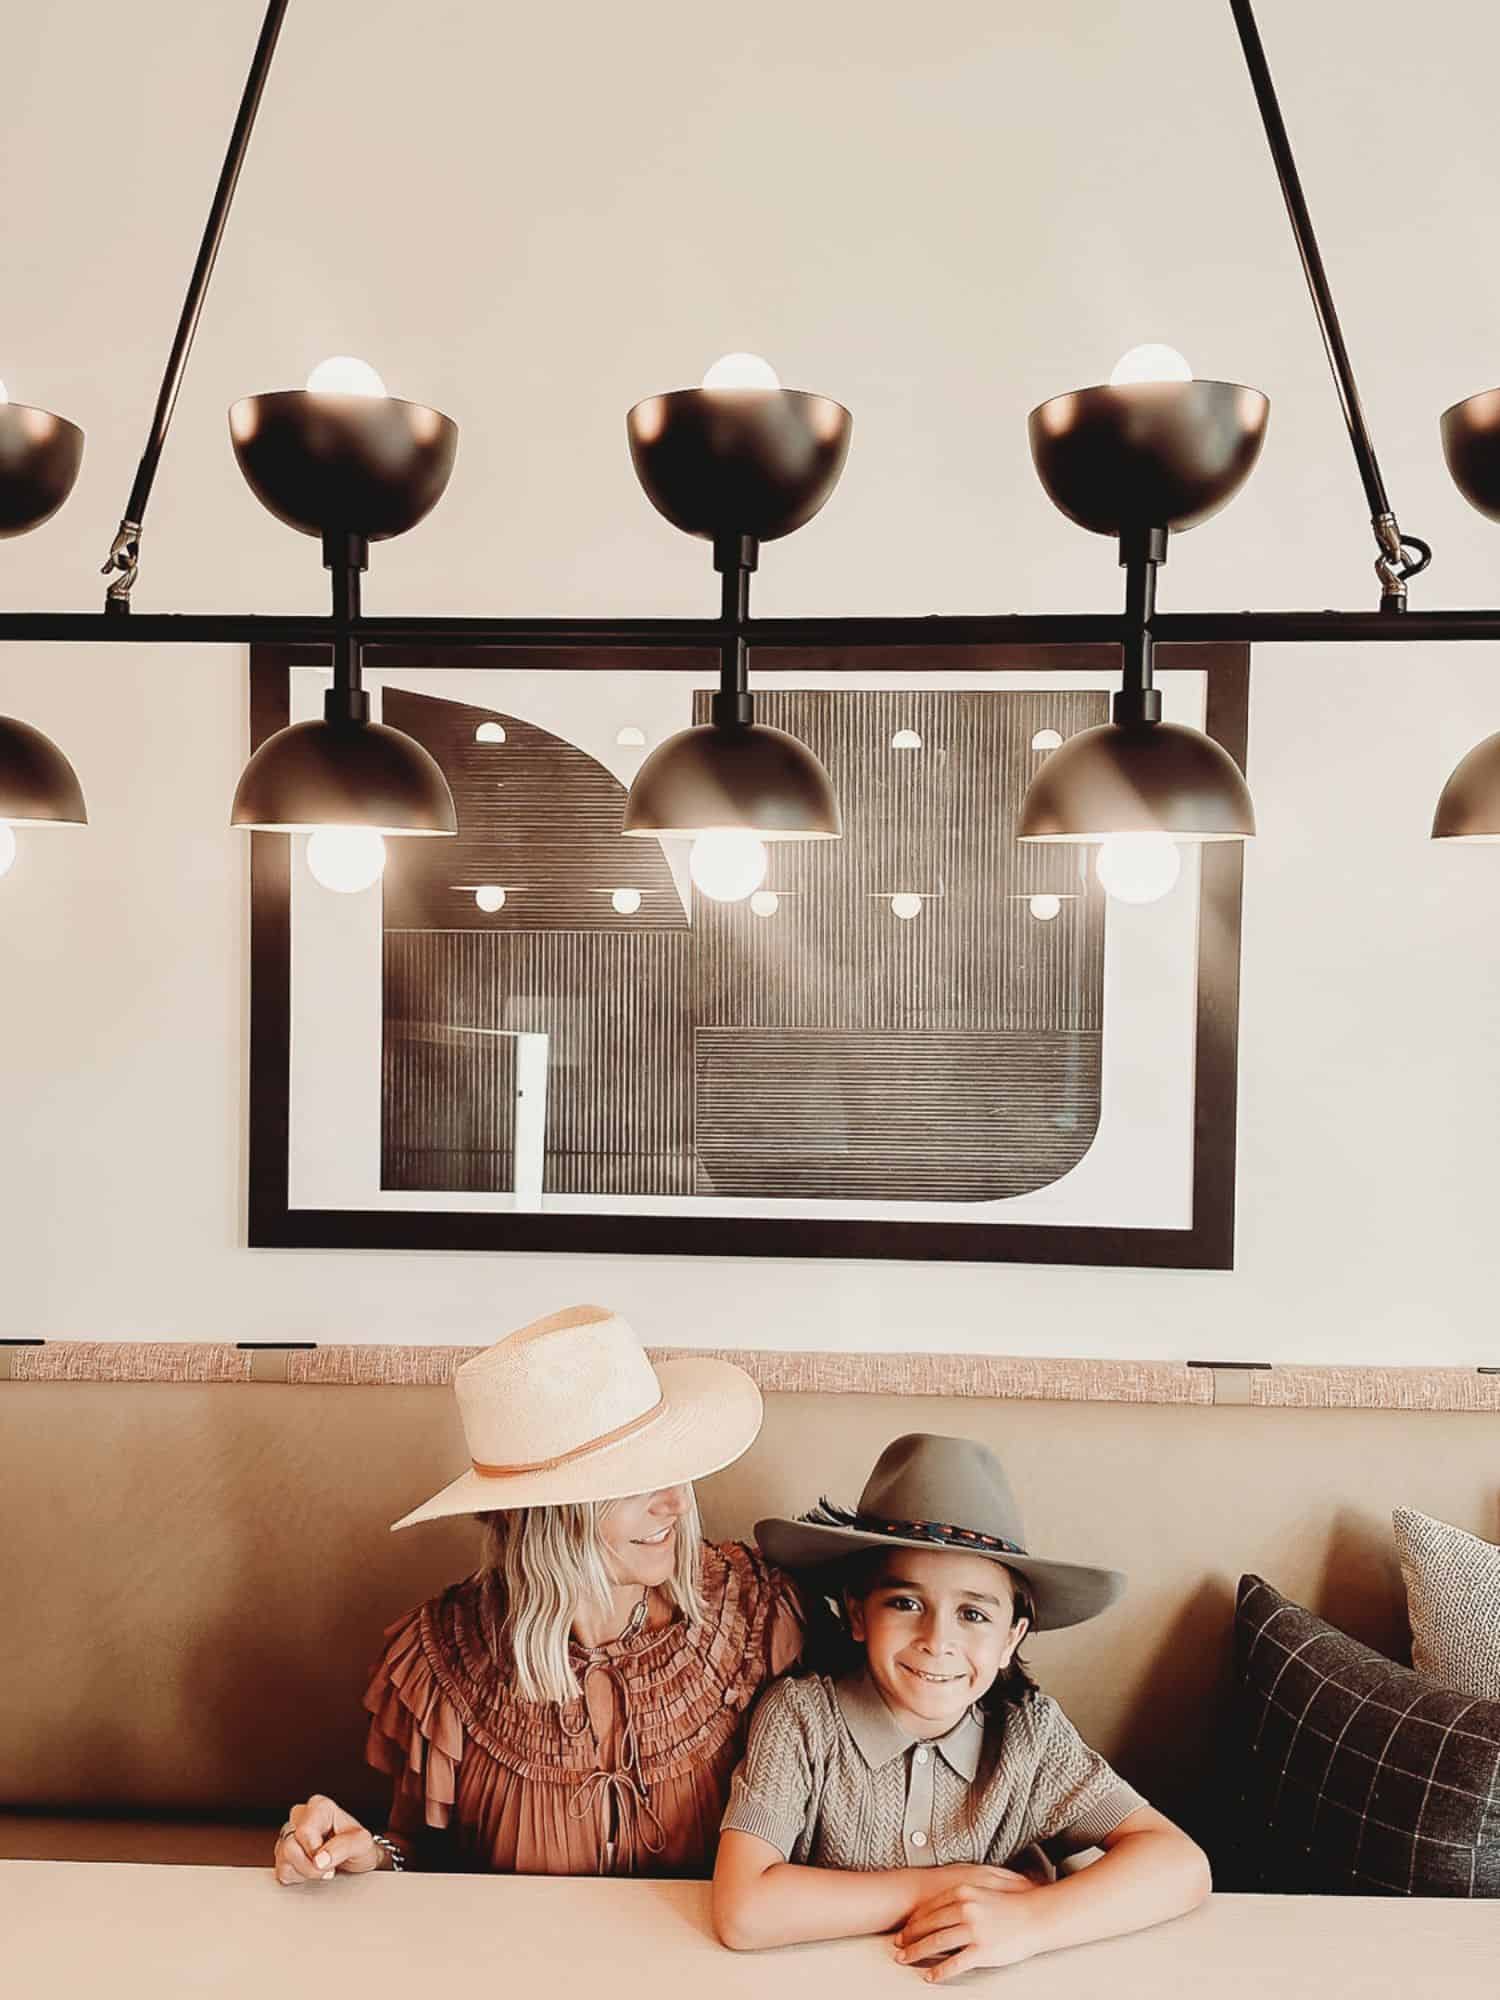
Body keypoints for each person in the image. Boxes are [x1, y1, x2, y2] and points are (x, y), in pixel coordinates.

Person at [273, 1305, 800, 1883]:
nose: (675, 1504)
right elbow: (424, 1856)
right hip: (521, 1964)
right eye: (634, 1483)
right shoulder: (444, 1664)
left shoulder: (756, 1616)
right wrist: (364, 1853)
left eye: (671, 1469)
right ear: (548, 1517)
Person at [712, 1433, 1210, 1980]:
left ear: (1010, 1639)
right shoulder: (801, 1719)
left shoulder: (1031, 1736)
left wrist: (1031, 1920)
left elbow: (1180, 1864)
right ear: (858, 1615)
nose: (936, 1639)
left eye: (973, 1615)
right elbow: (743, 1911)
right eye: (905, 1603)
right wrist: (938, 1886)